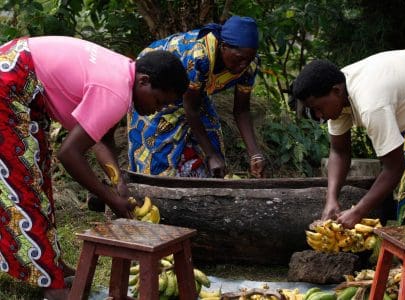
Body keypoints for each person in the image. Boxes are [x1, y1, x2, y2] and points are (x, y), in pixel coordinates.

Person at [0, 36, 188, 299]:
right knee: (24, 185)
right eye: (158, 101)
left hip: (17, 74)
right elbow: (69, 155)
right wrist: (110, 198)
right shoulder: (116, 92)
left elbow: (101, 139)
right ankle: (52, 288)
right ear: (144, 81)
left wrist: (117, 181)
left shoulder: (124, 73)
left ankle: (50, 266)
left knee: (39, 179)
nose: (157, 110)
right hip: (9, 85)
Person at [292, 44, 405, 229]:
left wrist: (358, 211)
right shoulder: (336, 92)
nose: (319, 116)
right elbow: (339, 151)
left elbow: (394, 168)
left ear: (336, 91)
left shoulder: (371, 104)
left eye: (318, 109)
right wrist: (331, 199)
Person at [127, 15, 265, 178]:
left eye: (248, 59)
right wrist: (210, 155)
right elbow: (190, 109)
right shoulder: (200, 56)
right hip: (156, 91)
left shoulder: (249, 66)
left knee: (214, 153)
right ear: (224, 46)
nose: (244, 65)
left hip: (194, 94)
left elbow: (242, 110)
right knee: (156, 160)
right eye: (240, 58)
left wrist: (255, 154)